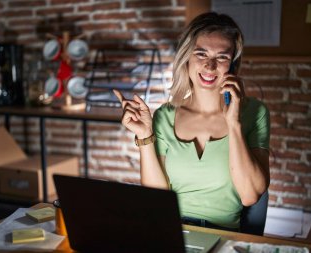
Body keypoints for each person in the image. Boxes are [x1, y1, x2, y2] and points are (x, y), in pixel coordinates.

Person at [113, 12, 270, 232]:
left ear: (232, 66)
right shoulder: (165, 116)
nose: (210, 66)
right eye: (201, 53)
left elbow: (250, 195)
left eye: (222, 57)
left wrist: (233, 122)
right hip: (170, 232)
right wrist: (144, 136)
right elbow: (156, 199)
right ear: (187, 58)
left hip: (222, 236)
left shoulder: (255, 112)